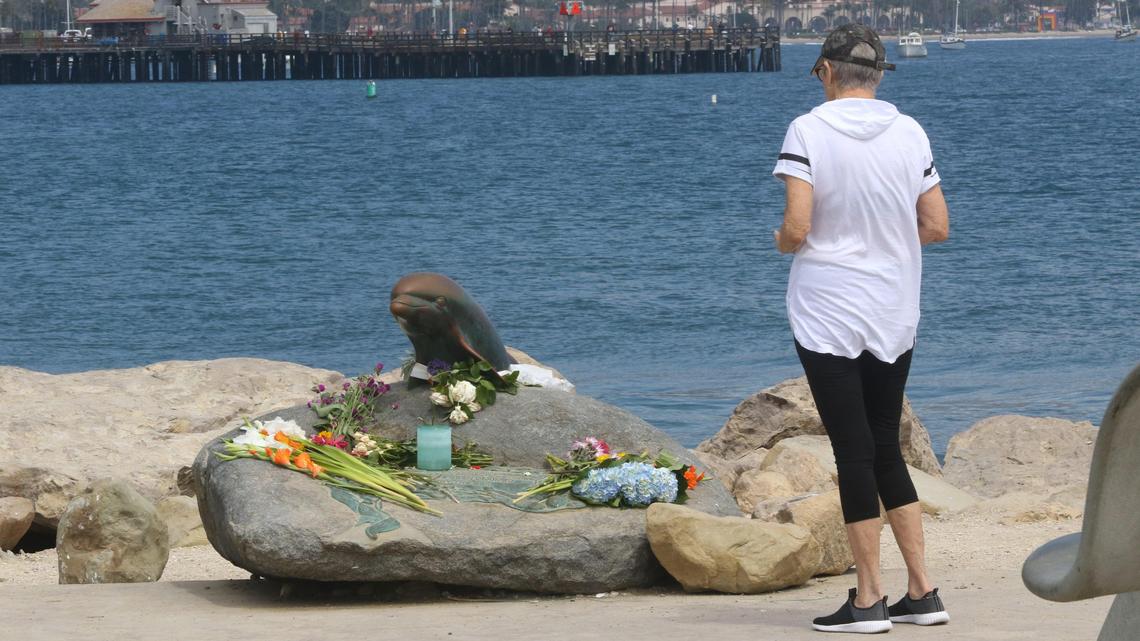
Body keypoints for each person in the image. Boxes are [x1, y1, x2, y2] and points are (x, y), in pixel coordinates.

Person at [771, 24, 951, 634]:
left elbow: (797, 226)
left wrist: (783, 243)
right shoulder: (910, 131)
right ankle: (922, 593)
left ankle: (869, 599)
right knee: (884, 445)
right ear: (877, 76)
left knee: (852, 451)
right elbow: (937, 225)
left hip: (828, 310)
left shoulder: (808, 129)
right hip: (893, 307)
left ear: (825, 71)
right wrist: (885, 243)